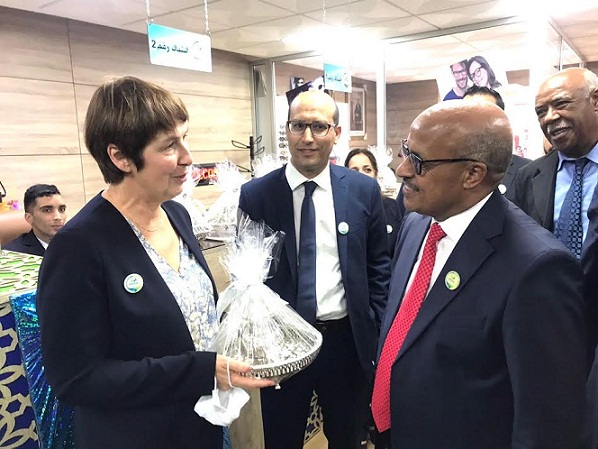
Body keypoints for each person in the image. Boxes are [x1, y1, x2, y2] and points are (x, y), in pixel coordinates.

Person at [36, 76, 273, 449]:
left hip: (201, 425)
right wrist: (198, 371)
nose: (188, 157)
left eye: (184, 138)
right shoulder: (79, 247)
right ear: (120, 157)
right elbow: (76, 380)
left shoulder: (177, 215)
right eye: (169, 146)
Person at [372, 100, 587, 449]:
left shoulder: (538, 269)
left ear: (473, 174)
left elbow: (546, 421)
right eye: (406, 151)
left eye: (419, 162)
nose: (402, 169)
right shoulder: (416, 224)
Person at [239, 90, 390, 449]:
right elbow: (246, 277)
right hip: (282, 347)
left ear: (336, 133)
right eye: (298, 126)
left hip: (345, 342)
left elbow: (378, 266)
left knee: (347, 437)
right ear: (286, 131)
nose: (307, 137)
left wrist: (376, 326)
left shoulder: (363, 190)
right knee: (282, 438)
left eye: (319, 127)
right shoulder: (257, 195)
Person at [462, 85, 530, 194]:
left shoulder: (527, 171)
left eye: (483, 115)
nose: (473, 122)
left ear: (501, 122)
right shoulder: (444, 170)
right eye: (466, 115)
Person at [345, 148, 400, 258]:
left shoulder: (391, 207)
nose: (361, 175)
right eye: (354, 171)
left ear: (375, 174)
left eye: (367, 170)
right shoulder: (339, 209)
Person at [3, 184, 66, 256]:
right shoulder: (14, 255)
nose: (58, 217)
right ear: (29, 218)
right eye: (47, 210)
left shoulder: (74, 242)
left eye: (62, 209)